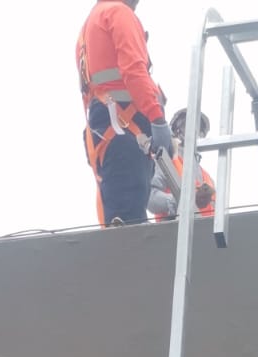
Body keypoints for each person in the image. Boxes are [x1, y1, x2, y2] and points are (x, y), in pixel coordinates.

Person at [76, 0, 171, 226]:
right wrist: (157, 118)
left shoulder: (89, 28)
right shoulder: (117, 13)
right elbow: (134, 70)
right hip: (123, 132)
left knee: (124, 219)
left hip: (110, 131)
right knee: (130, 228)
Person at [149, 109, 216, 221]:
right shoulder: (165, 160)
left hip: (206, 231)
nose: (194, 132)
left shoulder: (208, 178)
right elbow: (150, 198)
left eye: (199, 130)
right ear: (177, 130)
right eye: (189, 126)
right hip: (172, 229)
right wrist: (184, 202)